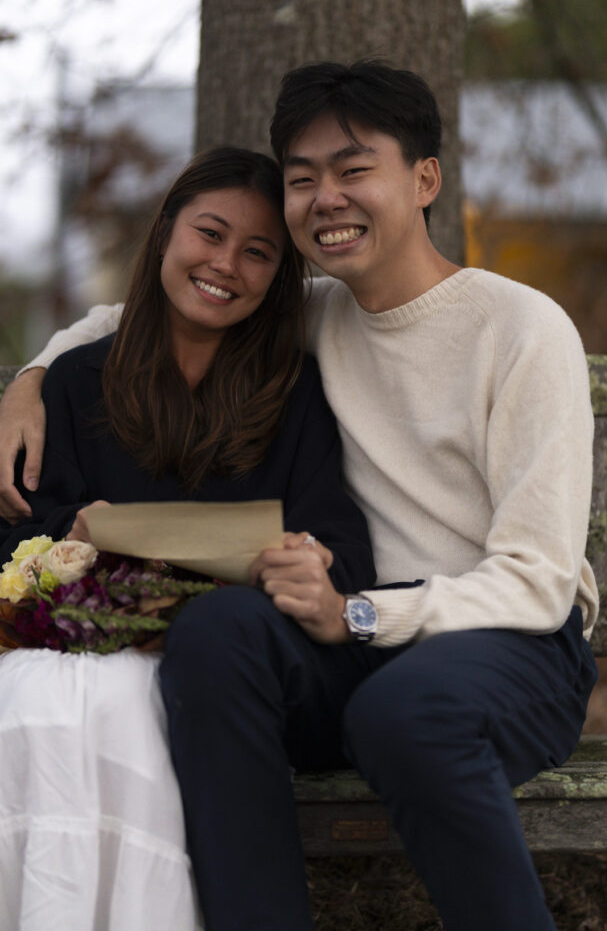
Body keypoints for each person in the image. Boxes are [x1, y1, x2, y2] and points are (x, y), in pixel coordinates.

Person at [0, 61, 599, 931]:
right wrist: (31, 376)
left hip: (502, 644)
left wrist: (358, 615)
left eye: (354, 171)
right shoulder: (318, 310)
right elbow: (141, 311)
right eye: (303, 178)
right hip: (348, 640)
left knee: (406, 714)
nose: (326, 198)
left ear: (423, 178)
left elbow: (539, 580)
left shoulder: (519, 327)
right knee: (215, 630)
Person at [0, 145, 375, 931]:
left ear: (279, 276)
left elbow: (337, 542)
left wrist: (307, 563)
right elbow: (19, 538)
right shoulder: (73, 382)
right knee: (37, 693)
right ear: (166, 234)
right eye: (209, 234)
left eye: (257, 252)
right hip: (76, 643)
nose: (225, 264)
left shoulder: (296, 392)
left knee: (126, 700)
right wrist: (65, 543)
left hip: (214, 667)